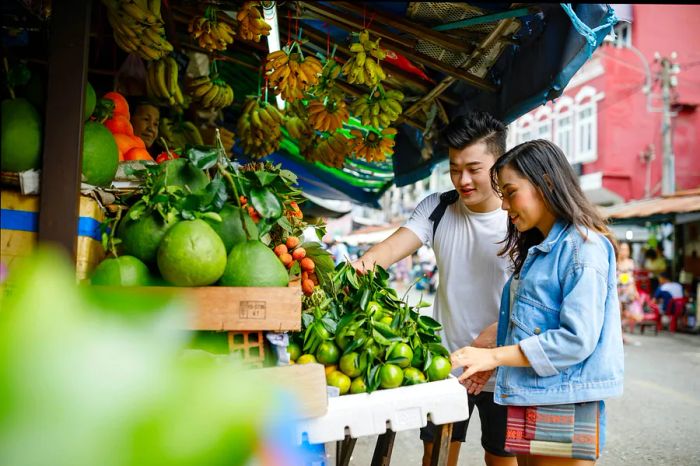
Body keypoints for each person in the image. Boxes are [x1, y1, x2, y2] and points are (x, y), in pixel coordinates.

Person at [352, 111, 515, 466]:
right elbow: (391, 249)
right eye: (455, 168)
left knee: (501, 460)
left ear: (499, 162)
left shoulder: (518, 217)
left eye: (474, 168)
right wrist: (358, 269)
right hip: (448, 365)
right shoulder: (438, 208)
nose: (463, 179)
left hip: (505, 367)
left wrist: (495, 344)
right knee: (437, 457)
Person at [451, 139, 624, 465]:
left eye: (511, 192)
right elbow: (530, 325)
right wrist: (493, 355)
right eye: (502, 195)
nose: (505, 206)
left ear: (545, 183)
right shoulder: (539, 250)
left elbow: (576, 340)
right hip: (529, 393)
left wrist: (495, 356)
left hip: (562, 401)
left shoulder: (582, 248)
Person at [617, 242, 643, 333]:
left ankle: (622, 332)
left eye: (626, 249)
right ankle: (620, 335)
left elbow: (632, 278)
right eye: (622, 249)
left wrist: (635, 291)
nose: (624, 251)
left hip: (629, 291)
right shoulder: (616, 262)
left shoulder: (631, 262)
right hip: (618, 291)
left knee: (631, 314)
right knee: (619, 313)